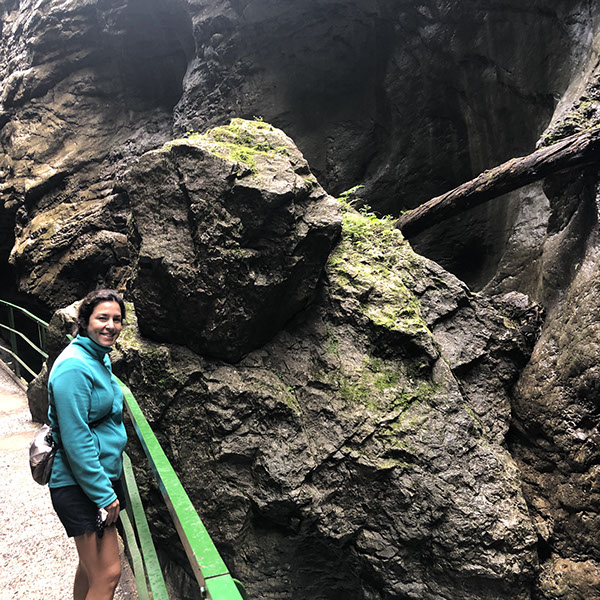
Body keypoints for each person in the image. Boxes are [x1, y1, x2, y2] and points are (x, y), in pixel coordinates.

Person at [48, 289, 128, 600]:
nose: (110, 326)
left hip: (95, 477)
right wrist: (104, 495)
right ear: (85, 321)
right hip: (79, 484)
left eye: (117, 319)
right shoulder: (74, 366)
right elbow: (75, 438)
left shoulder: (97, 356)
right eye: (102, 318)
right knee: (108, 574)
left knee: (89, 569)